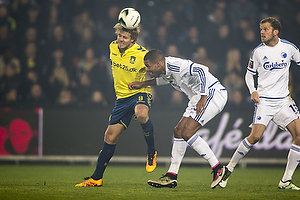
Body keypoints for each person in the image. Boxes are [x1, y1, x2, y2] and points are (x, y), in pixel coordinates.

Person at [219, 17, 300, 190]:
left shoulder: (289, 48)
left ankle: (286, 180)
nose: (261, 32)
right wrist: (253, 90)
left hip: (284, 101)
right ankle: (229, 168)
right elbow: (249, 74)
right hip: (265, 101)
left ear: (275, 31)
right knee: (255, 137)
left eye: (265, 29)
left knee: (299, 136)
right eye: (261, 29)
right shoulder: (257, 52)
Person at [128, 49, 227, 189]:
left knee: (188, 133)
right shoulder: (165, 70)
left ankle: (218, 169)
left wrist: (204, 96)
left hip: (212, 93)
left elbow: (203, 70)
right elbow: (164, 80)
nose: (147, 69)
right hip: (196, 97)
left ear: (158, 64)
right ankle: (171, 176)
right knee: (178, 131)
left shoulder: (176, 65)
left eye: (148, 66)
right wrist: (143, 84)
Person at [75, 19, 157, 187]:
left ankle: (151, 151)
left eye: (125, 37)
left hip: (139, 93)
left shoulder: (142, 54)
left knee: (141, 114)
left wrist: (143, 84)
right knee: (109, 136)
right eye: (120, 35)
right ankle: (96, 178)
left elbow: (159, 74)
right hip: (121, 99)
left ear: (132, 39)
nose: (121, 39)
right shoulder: (112, 47)